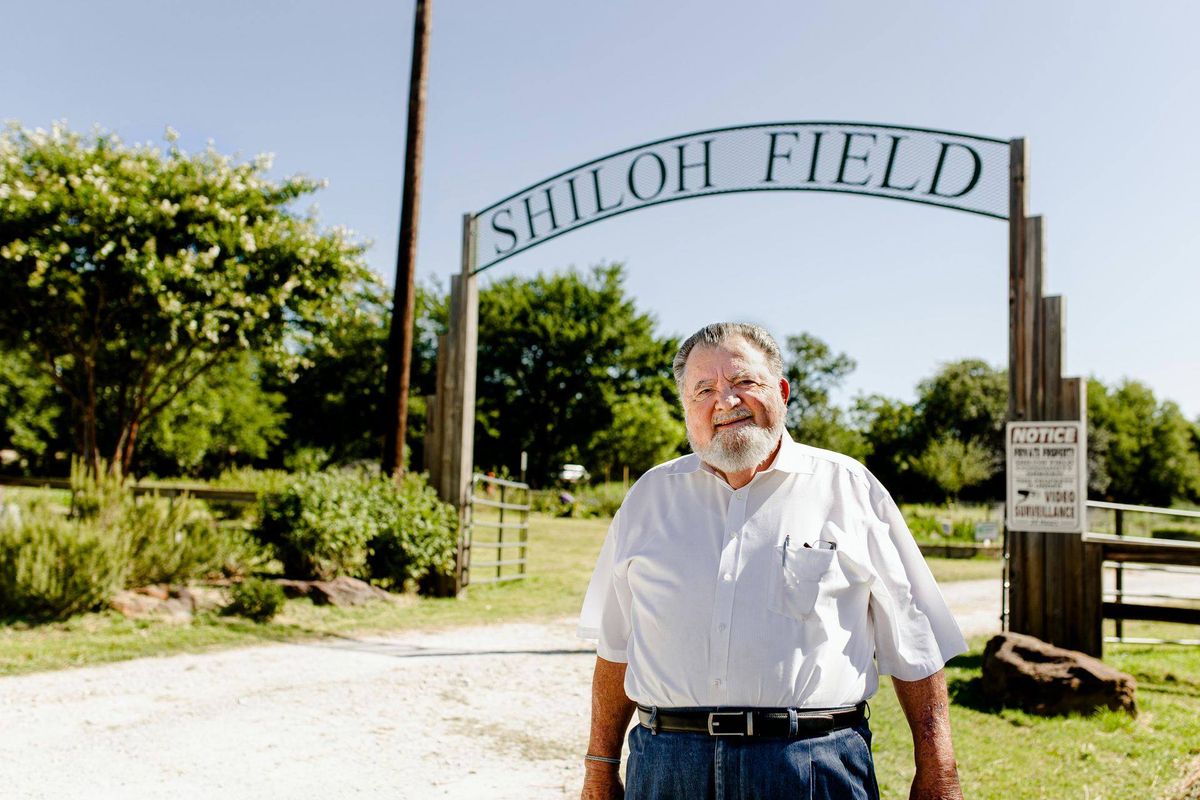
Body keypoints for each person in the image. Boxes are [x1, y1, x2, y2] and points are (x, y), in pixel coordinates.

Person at [577, 322, 967, 800]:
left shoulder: (849, 487)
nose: (726, 401)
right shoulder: (648, 498)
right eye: (705, 390)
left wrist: (939, 772)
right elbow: (617, 647)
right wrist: (599, 769)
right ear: (686, 409)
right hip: (666, 769)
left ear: (781, 391)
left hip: (811, 766)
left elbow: (916, 642)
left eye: (744, 382)